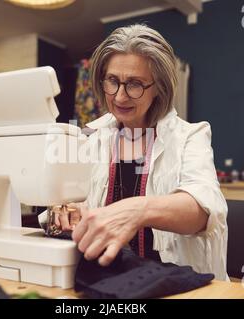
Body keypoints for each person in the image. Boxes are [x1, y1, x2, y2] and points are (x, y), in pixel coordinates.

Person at [53, 24, 228, 280]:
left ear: (158, 87)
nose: (120, 96)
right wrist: (65, 209)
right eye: (112, 81)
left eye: (135, 84)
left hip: (173, 283)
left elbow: (202, 211)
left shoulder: (191, 136)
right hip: (105, 281)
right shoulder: (90, 137)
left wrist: (138, 211)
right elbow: (70, 200)